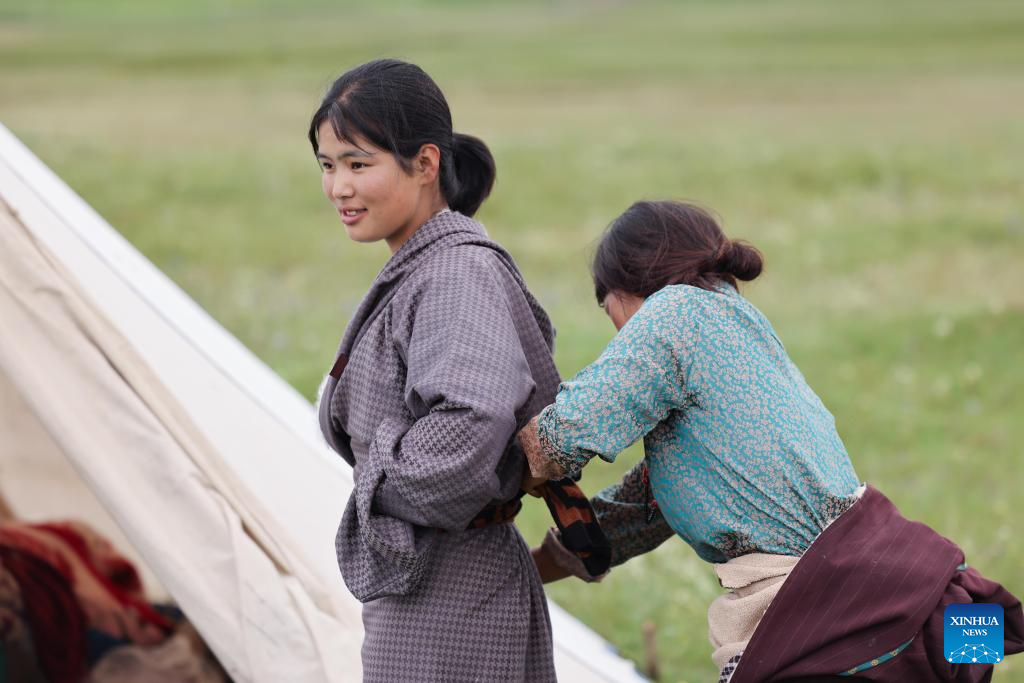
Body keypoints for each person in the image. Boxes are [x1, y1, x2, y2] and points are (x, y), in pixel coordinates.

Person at [518, 200, 1023, 682]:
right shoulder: (735, 324)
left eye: (609, 310)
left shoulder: (675, 314)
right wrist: (524, 570)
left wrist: (483, 458)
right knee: (965, 648)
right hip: (915, 593)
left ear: (628, 289)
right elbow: (634, 516)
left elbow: (559, 440)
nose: (617, 335)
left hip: (834, 614)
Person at [311, 59, 577, 682]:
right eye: (327, 166)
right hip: (430, 597)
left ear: (425, 164)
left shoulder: (455, 274)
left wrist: (376, 476)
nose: (338, 188)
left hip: (458, 605)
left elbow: (471, 425)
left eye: (358, 163)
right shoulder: (423, 267)